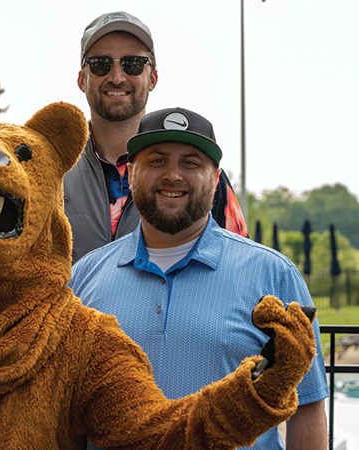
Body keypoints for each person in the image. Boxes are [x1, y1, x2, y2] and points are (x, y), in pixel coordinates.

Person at [69, 107, 329, 450]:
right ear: (132, 173)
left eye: (191, 162)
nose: (172, 175)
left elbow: (307, 408)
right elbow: (65, 413)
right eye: (157, 161)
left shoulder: (275, 275)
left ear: (216, 177)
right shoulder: (83, 278)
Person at [63, 11, 247, 263]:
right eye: (100, 65)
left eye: (133, 64)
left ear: (153, 78)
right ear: (82, 79)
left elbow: (239, 264)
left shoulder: (203, 179)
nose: (116, 77)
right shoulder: (51, 169)